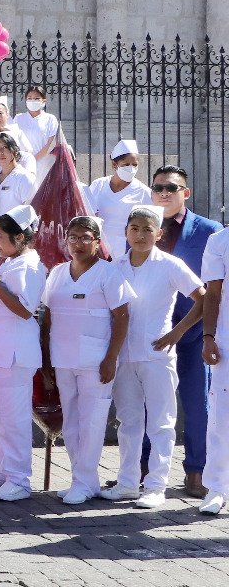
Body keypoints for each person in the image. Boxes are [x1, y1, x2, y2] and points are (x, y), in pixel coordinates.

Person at [98, 206, 205, 509]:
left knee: (160, 422)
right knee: (128, 420)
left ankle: (156, 486)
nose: (141, 235)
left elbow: (203, 297)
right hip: (123, 355)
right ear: (126, 232)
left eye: (148, 230)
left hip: (157, 355)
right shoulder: (114, 266)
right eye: (135, 229)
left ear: (159, 234)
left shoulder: (170, 265)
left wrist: (177, 333)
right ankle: (128, 483)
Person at [41, 215, 135, 505]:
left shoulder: (109, 273)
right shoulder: (57, 272)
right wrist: (46, 364)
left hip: (96, 362)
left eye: (85, 238)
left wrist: (111, 358)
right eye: (73, 237)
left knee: (92, 422)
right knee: (70, 422)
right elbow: (47, 318)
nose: (78, 243)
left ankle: (83, 481)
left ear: (97, 241)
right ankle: (82, 481)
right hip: (63, 358)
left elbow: (122, 317)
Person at [149, 164, 223, 498]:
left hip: (193, 333)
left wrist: (189, 330)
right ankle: (143, 468)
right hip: (151, 334)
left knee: (197, 405)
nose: (164, 194)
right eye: (158, 188)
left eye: (171, 188)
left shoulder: (209, 231)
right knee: (150, 403)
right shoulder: (142, 225)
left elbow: (212, 288)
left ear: (186, 193)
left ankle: (197, 471)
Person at [0, 205, 46, 501]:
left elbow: (25, 309)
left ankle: (19, 478)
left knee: (14, 418)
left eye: (1, 237)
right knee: (1, 416)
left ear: (20, 238)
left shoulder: (29, 265)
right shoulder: (10, 262)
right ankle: (3, 472)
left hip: (15, 354)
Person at [198, 223, 229, 514]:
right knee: (221, 417)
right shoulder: (219, 241)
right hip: (227, 341)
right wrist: (208, 336)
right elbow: (213, 292)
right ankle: (217, 488)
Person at [85, 139, 152, 257]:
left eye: (134, 165)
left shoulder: (144, 192)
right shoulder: (98, 185)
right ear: (114, 164)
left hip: (126, 252)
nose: (131, 168)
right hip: (97, 248)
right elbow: (86, 211)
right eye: (126, 164)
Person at [14, 86, 61, 185]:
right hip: (22, 163)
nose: (32, 101)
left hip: (44, 163)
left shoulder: (50, 119)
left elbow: (51, 143)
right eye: (29, 98)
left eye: (36, 98)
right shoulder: (19, 118)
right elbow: (14, 141)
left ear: (44, 100)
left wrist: (33, 160)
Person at [0, 133, 37, 216]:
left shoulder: (25, 178)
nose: (0, 153)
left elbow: (32, 210)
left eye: (4, 148)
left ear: (14, 150)